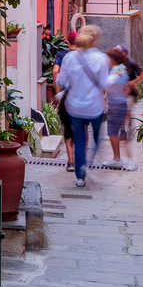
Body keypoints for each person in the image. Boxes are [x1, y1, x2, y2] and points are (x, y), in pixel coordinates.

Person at [56, 24, 109, 186]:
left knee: (79, 140)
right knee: (97, 138)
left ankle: (80, 176)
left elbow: (62, 80)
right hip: (95, 107)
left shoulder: (69, 58)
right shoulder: (101, 58)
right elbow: (104, 84)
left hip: (75, 107)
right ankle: (89, 161)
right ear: (95, 40)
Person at [104, 46, 138, 169]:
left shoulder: (116, 72)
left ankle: (118, 159)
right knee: (122, 133)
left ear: (112, 59)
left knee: (113, 133)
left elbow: (106, 85)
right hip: (121, 104)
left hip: (116, 106)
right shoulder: (122, 71)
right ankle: (126, 160)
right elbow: (127, 88)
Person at [50, 28, 78, 169]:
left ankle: (71, 161)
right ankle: (80, 160)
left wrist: (58, 92)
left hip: (66, 95)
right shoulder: (83, 56)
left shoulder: (62, 55)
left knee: (67, 129)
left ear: (68, 42)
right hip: (81, 96)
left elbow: (55, 71)